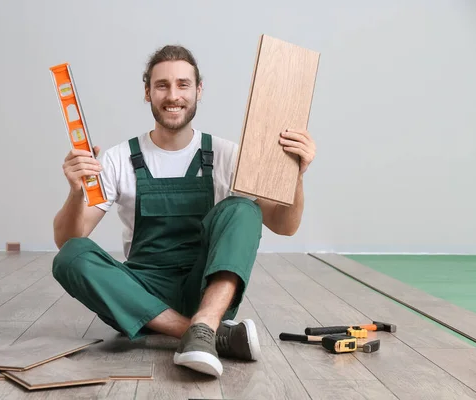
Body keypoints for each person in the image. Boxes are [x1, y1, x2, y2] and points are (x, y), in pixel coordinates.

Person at [51, 44, 316, 377]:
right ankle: (207, 334)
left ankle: (204, 322)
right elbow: (68, 239)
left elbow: (284, 225)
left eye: (183, 84)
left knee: (243, 209)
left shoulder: (228, 155)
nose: (172, 95)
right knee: (71, 256)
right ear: (147, 92)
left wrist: (297, 176)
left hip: (207, 287)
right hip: (140, 292)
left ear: (198, 90)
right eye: (162, 85)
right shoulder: (119, 158)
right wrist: (76, 193)